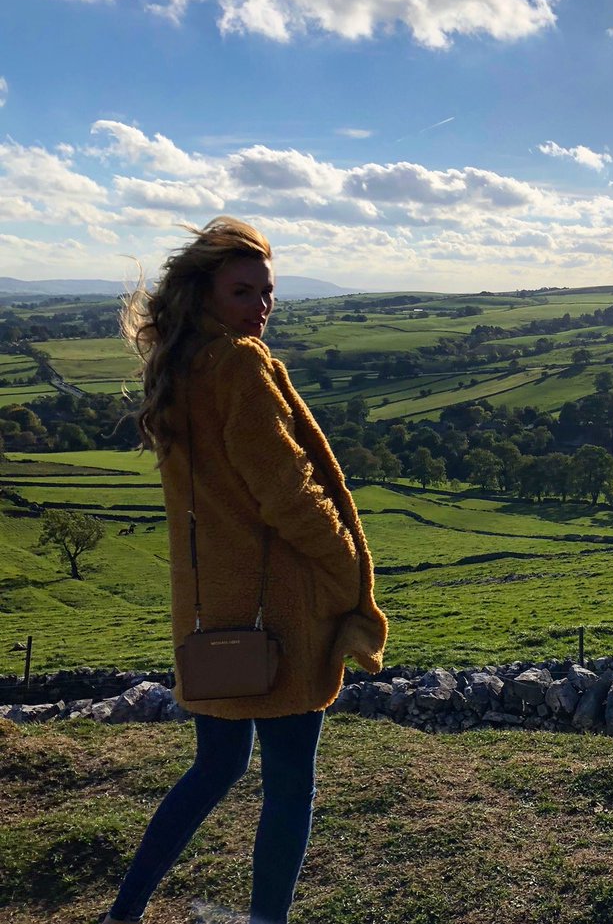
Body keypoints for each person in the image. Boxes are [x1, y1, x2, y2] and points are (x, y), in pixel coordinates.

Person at [102, 217, 388, 924]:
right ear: (204, 292)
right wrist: (345, 561)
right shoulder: (239, 366)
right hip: (280, 610)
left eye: (268, 292)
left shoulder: (179, 368)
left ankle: (124, 912)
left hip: (214, 611)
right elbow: (287, 491)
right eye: (243, 291)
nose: (260, 307)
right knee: (290, 784)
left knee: (216, 767)